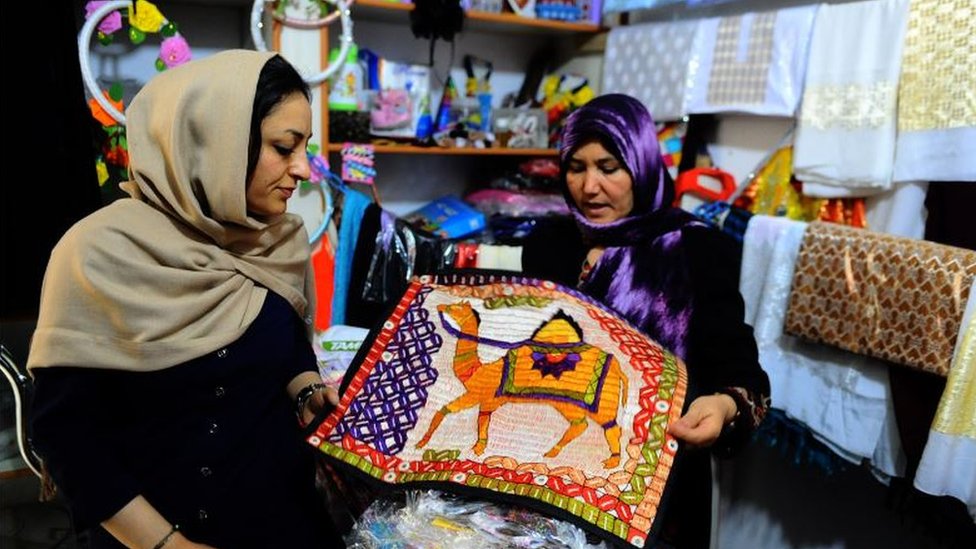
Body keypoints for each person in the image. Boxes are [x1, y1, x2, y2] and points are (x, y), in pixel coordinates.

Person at [27, 50, 341, 548]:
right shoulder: (97, 255)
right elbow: (67, 434)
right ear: (215, 143)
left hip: (282, 521)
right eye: (285, 147)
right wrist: (169, 545)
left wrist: (305, 390)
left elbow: (286, 346)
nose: (302, 169)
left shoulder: (278, 241)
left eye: (304, 148)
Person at [557, 93, 770, 548]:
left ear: (642, 165)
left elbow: (744, 375)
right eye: (576, 167)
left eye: (609, 167)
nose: (589, 187)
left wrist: (724, 406)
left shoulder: (695, 250)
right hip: (551, 479)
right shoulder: (550, 241)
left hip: (652, 496)